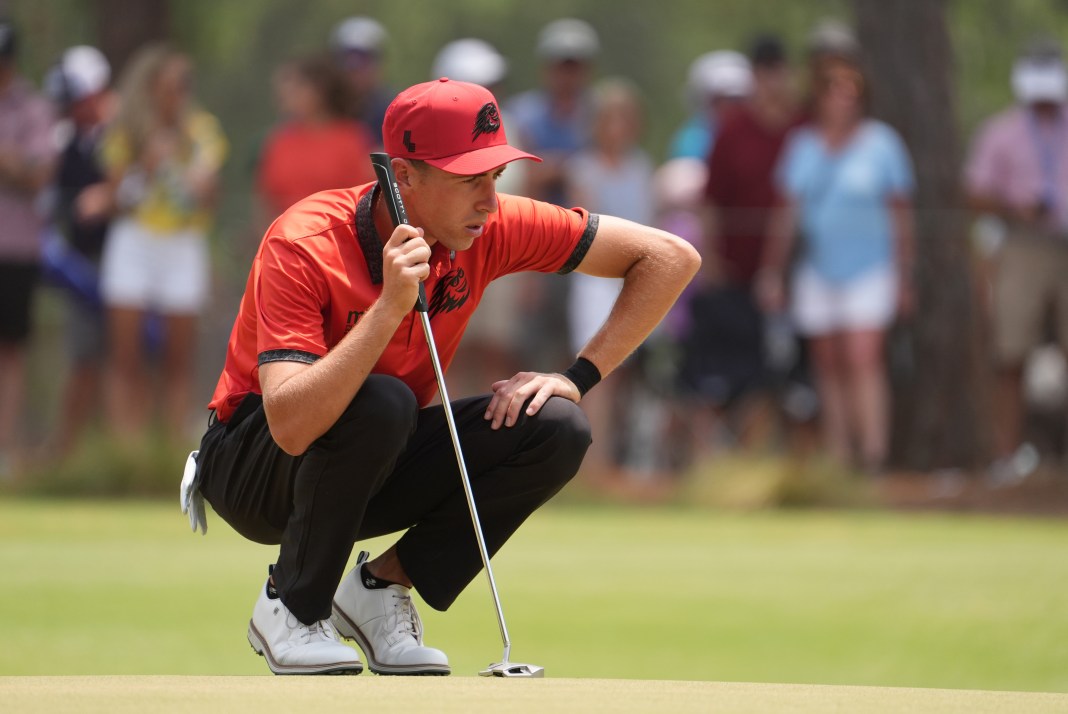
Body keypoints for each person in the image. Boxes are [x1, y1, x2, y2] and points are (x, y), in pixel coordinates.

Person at [188, 78, 700, 675]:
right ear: (403, 177)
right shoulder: (305, 241)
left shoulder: (491, 225)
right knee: (383, 400)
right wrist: (387, 310)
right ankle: (292, 607)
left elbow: (669, 257)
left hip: (368, 456)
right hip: (253, 469)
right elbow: (291, 426)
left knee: (556, 427)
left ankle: (379, 590)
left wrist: (578, 377)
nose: (489, 198)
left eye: (495, 177)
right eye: (469, 179)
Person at [758, 57, 916, 474]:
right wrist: (773, 271)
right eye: (833, 88)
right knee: (828, 361)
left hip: (871, 268)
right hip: (818, 269)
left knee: (863, 357)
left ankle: (874, 455)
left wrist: (905, 276)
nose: (842, 98)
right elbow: (786, 214)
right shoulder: (803, 146)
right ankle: (840, 454)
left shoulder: (883, 144)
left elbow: (902, 214)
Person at [99, 43, 228, 443]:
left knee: (178, 357)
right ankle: (127, 449)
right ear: (151, 86)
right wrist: (145, 166)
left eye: (184, 84)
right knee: (125, 356)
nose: (179, 92)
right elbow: (116, 197)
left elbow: (209, 195)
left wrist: (196, 179)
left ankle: (170, 447)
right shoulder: (127, 131)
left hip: (183, 242)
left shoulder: (202, 132)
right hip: (134, 239)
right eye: (171, 84)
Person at [685, 35, 805, 455]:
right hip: (736, 275)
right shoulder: (732, 129)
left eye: (778, 70)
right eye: (764, 71)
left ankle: (779, 455)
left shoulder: (801, 126)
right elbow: (710, 201)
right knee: (733, 370)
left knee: (786, 373)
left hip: (796, 274)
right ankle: (730, 458)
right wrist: (712, 258)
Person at [964, 38, 1068, 483]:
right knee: (1010, 353)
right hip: (1022, 245)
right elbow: (974, 192)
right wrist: (1015, 209)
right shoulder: (1000, 131)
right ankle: (1006, 459)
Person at [564, 78, 655, 484]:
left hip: (633, 279)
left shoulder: (641, 168)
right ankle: (593, 463)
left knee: (629, 375)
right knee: (595, 370)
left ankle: (620, 460)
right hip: (596, 280)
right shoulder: (583, 167)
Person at [506, 18, 600, 374]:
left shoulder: (597, 113)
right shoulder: (523, 113)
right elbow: (521, 173)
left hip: (586, 239)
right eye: (562, 65)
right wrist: (564, 168)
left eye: (575, 65)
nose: (568, 74)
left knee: (574, 344)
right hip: (533, 238)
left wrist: (554, 168)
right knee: (526, 341)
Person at [43, 45, 115, 458]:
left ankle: (112, 450)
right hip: (81, 264)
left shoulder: (117, 135)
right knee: (83, 355)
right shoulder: (62, 139)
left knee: (123, 358)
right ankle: (68, 451)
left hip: (121, 261)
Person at [0, 20, 57, 478]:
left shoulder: (34, 110)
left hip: (14, 246)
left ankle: (5, 451)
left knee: (11, 350)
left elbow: (38, 175)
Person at [257, 54, 376, 221]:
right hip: (284, 237)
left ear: (320, 90)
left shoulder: (350, 138)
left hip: (333, 238)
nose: (287, 93)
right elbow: (265, 199)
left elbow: (363, 199)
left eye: (298, 87)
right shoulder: (280, 140)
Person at [668, 50, 752, 161]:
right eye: (725, 100)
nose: (733, 107)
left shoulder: (754, 135)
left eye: (739, 100)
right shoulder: (693, 140)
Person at [330, 16, 392, 147]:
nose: (354, 75)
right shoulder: (324, 110)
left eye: (363, 65)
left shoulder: (391, 112)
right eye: (348, 67)